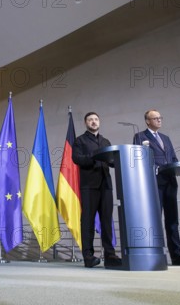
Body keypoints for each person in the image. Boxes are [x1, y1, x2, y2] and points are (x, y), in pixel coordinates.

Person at [133, 109, 180, 266]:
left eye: (160, 118)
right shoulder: (140, 136)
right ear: (147, 121)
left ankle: (177, 256)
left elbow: (173, 158)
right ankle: (155, 253)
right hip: (154, 183)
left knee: (172, 220)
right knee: (154, 219)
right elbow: (139, 157)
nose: (159, 120)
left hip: (170, 182)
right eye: (155, 118)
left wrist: (177, 166)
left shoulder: (165, 138)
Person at [72, 112, 121, 268]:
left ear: (99, 122)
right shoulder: (80, 140)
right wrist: (95, 155)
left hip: (106, 185)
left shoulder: (105, 141)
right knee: (87, 221)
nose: (94, 122)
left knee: (107, 221)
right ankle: (88, 256)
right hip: (89, 186)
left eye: (96, 119)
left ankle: (110, 255)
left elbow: (113, 161)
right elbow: (77, 159)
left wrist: (118, 159)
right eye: (90, 120)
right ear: (86, 123)